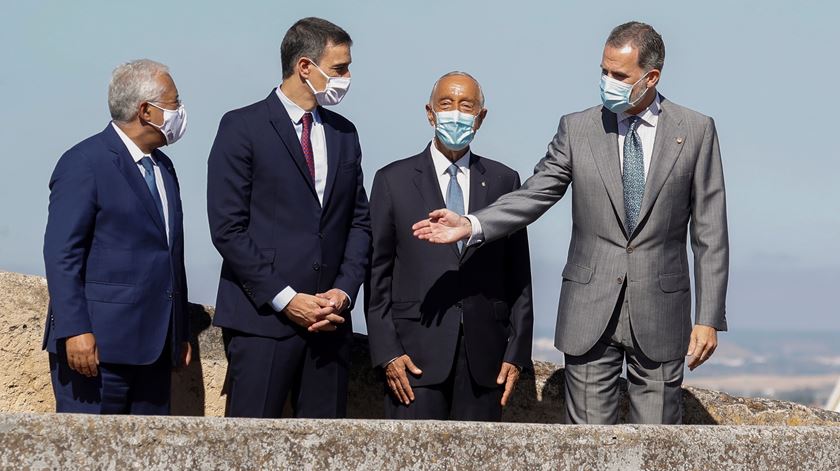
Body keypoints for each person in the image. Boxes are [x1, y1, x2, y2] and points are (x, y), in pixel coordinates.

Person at [412, 22, 729, 424]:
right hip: (588, 312)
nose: (606, 82)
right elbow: (536, 192)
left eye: (619, 76)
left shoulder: (696, 130)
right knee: (588, 449)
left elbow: (710, 232)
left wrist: (707, 318)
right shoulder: (577, 128)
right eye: (603, 71)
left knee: (657, 446)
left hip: (662, 311)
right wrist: (472, 224)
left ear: (650, 78)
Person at [207, 17, 371, 418]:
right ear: (304, 67)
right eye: (339, 68)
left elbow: (359, 223)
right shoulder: (241, 126)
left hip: (329, 327)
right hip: (262, 323)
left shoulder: (344, 134)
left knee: (323, 451)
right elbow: (228, 228)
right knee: (249, 448)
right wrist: (287, 299)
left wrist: (343, 293)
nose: (347, 77)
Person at [366, 72, 533, 421]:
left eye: (466, 105)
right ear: (430, 113)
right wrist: (387, 351)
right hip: (414, 359)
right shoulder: (392, 180)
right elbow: (377, 274)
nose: (455, 113)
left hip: (484, 362)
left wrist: (516, 354)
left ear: (480, 117)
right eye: (446, 104)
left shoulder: (504, 181)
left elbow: (519, 277)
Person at [43, 59, 191, 414]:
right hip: (95, 352)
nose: (180, 111)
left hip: (155, 352)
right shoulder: (84, 161)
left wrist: (179, 332)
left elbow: (170, 254)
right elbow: (62, 254)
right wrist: (74, 329)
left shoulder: (164, 168)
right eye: (174, 103)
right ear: (146, 111)